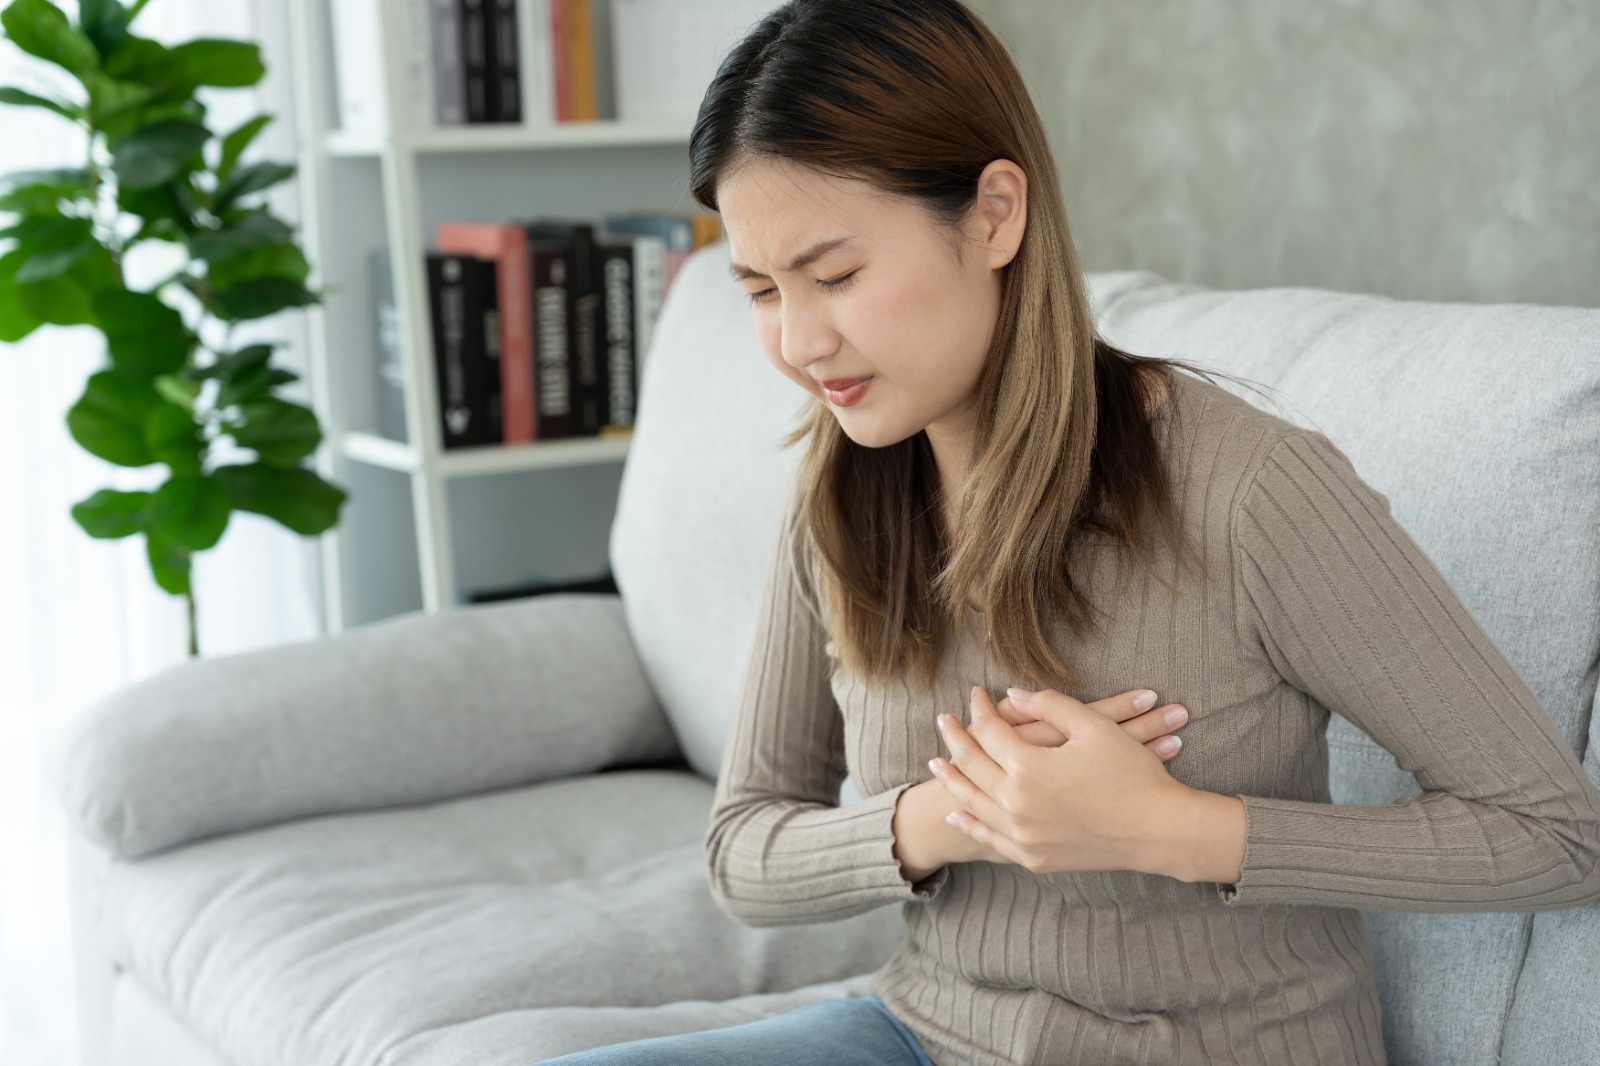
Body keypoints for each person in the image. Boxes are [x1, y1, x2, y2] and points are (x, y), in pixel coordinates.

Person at [537, 1, 1600, 1063]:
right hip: (921, 1032)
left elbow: (1555, 832)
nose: (800, 341)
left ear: (995, 214)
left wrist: (1170, 830)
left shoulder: (1251, 488)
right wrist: (946, 817)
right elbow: (745, 849)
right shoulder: (841, 491)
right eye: (762, 290)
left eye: (836, 275)